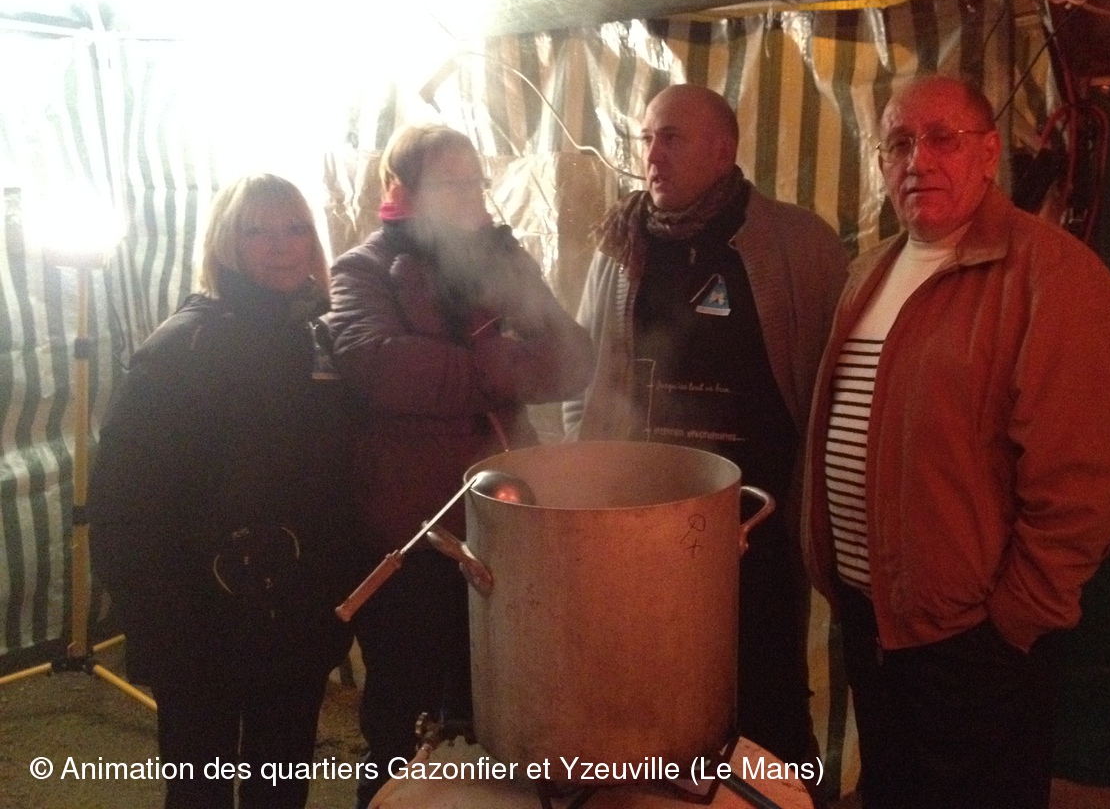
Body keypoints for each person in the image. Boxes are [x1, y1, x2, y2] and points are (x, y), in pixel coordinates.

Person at [802, 75, 1110, 809]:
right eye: (899, 143)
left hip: (974, 641)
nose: (917, 161)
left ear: (989, 154)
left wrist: (1013, 620)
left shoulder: (1052, 275)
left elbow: (1090, 479)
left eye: (942, 139)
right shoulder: (869, 271)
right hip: (873, 620)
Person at [565, 83, 849, 766]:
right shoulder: (620, 247)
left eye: (671, 138)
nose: (652, 155)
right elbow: (587, 379)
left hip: (758, 526)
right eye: (646, 138)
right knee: (655, 695)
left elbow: (832, 385)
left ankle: (787, 796)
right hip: (644, 525)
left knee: (770, 700)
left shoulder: (798, 244)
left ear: (724, 151)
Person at [325, 124, 594, 809]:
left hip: (505, 526)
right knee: (404, 713)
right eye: (452, 183)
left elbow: (574, 359)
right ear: (404, 189)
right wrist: (504, 368)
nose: (472, 194)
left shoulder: (503, 264)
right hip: (412, 532)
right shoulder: (363, 269)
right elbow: (383, 368)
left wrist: (473, 371)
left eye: (476, 180)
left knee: (497, 707)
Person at [90, 174, 362, 809]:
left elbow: (334, 485)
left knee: (280, 781)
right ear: (225, 244)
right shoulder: (179, 350)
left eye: (295, 228)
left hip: (294, 611)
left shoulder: (318, 341)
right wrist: (160, 632)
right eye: (257, 231)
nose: (282, 245)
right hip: (200, 614)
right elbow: (122, 508)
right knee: (201, 787)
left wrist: (331, 606)